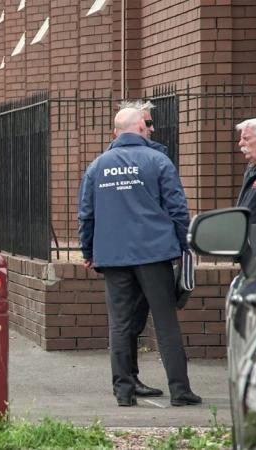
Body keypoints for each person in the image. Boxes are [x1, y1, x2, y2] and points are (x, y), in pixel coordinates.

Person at [78, 107, 200, 407]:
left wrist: (88, 251)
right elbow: (177, 208)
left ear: (115, 132)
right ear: (141, 129)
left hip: (113, 256)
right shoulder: (158, 160)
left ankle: (124, 391)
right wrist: (186, 244)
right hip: (155, 253)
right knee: (165, 321)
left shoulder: (97, 166)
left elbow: (87, 215)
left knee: (120, 323)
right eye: (147, 125)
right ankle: (180, 390)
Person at [106, 100, 165, 398]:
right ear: (135, 125)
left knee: (130, 320)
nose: (152, 128)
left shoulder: (157, 155)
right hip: (142, 251)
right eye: (148, 123)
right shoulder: (116, 159)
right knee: (127, 320)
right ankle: (127, 381)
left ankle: (127, 383)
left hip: (126, 251)